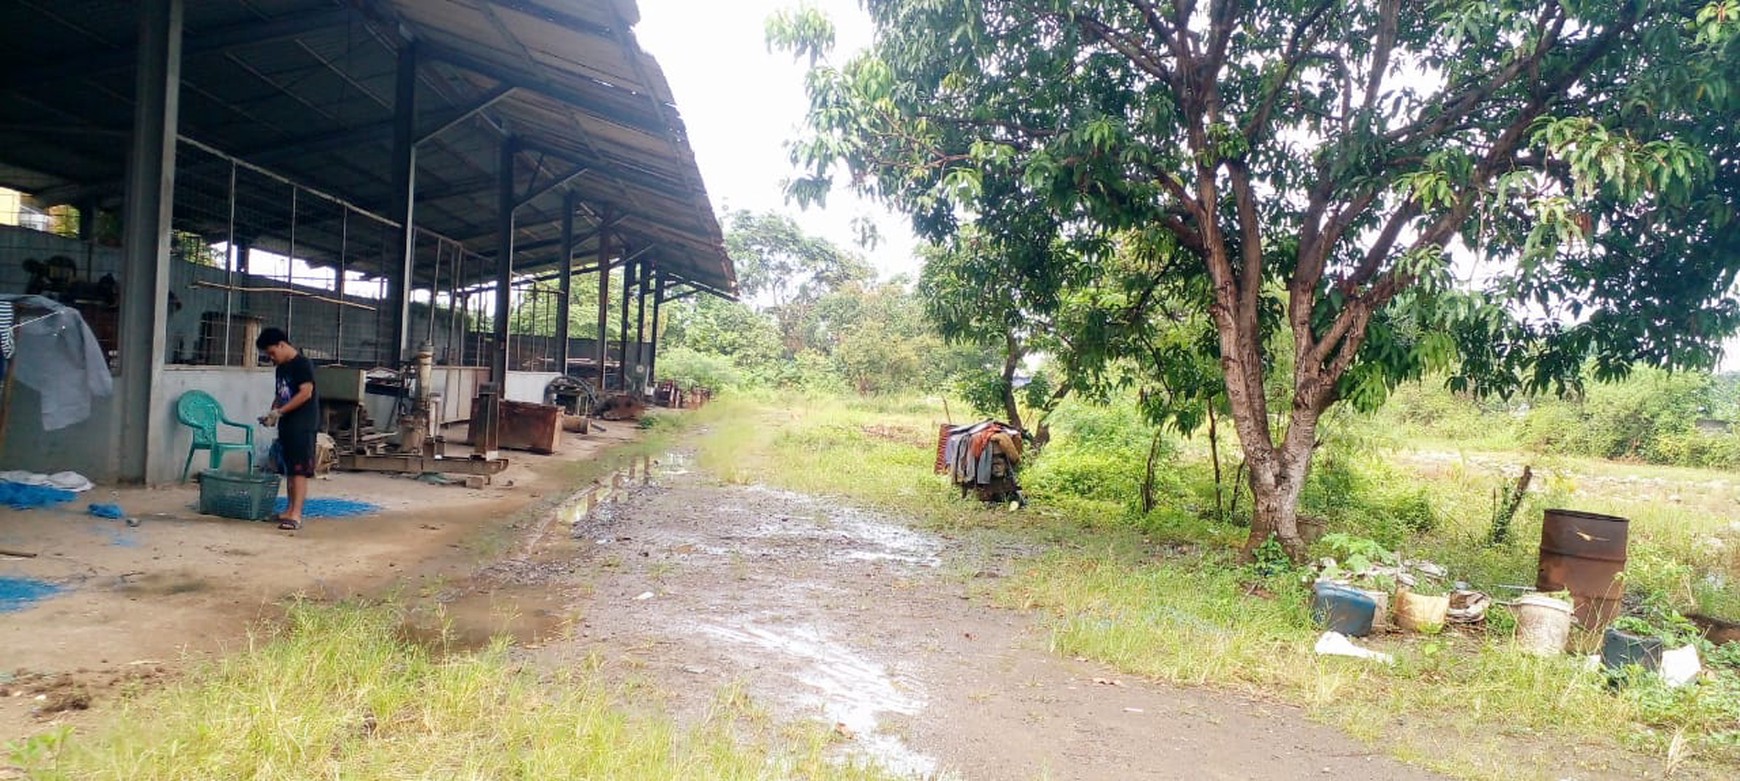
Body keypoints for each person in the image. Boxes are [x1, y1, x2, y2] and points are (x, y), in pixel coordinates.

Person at [256, 327, 319, 531]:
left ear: (282, 345)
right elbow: (280, 394)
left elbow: (305, 393)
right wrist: (273, 413)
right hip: (287, 424)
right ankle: (288, 509)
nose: (272, 358)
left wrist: (281, 412)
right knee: (290, 469)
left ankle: (296, 514)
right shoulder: (280, 368)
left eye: (273, 353)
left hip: (303, 424)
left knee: (299, 470)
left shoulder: (302, 364)